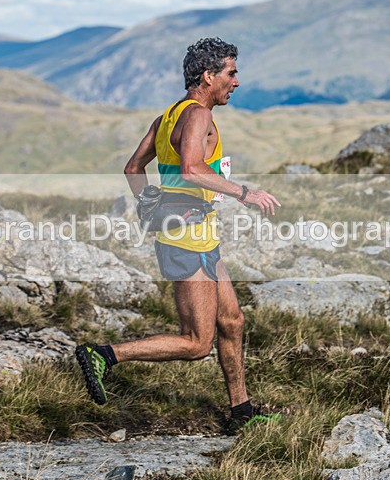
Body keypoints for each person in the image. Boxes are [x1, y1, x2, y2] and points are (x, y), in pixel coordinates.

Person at [76, 37, 282, 433]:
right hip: (188, 240)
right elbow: (191, 168)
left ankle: (241, 412)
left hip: (199, 236)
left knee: (232, 321)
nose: (236, 82)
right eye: (231, 73)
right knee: (196, 343)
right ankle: (103, 355)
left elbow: (133, 169)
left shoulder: (168, 116)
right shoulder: (198, 116)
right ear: (208, 76)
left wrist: (148, 205)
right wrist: (245, 193)